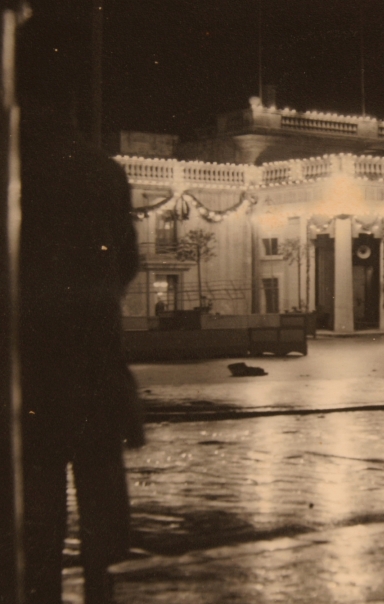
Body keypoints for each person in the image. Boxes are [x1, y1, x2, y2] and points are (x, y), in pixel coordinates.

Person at [16, 14, 143, 604]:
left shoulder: (18, 169)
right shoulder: (103, 172)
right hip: (93, 362)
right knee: (100, 503)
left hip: (31, 365)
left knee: (36, 506)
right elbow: (125, 264)